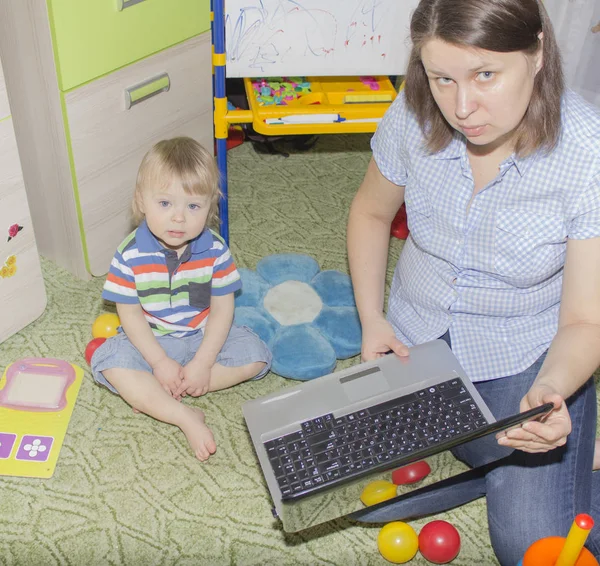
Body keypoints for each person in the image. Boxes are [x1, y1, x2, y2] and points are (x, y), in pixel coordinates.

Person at [346, 0, 600, 563]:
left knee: (530, 546)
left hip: (524, 354)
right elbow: (369, 213)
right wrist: (373, 319)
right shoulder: (414, 112)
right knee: (343, 482)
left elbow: (585, 319)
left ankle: (569, 441)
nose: (462, 107)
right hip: (417, 337)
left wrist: (553, 388)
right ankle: (564, 453)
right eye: (442, 78)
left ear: (536, 52)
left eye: (485, 74)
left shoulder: (587, 153)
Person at [91, 137, 271, 462]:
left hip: (205, 339)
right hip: (152, 341)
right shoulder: (128, 254)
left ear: (210, 206)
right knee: (108, 361)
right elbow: (129, 315)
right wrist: (159, 362)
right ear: (141, 202)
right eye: (165, 204)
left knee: (257, 356)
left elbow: (222, 309)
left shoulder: (215, 250)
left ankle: (159, 395)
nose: (178, 218)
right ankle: (182, 414)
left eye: (192, 206)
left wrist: (202, 362)